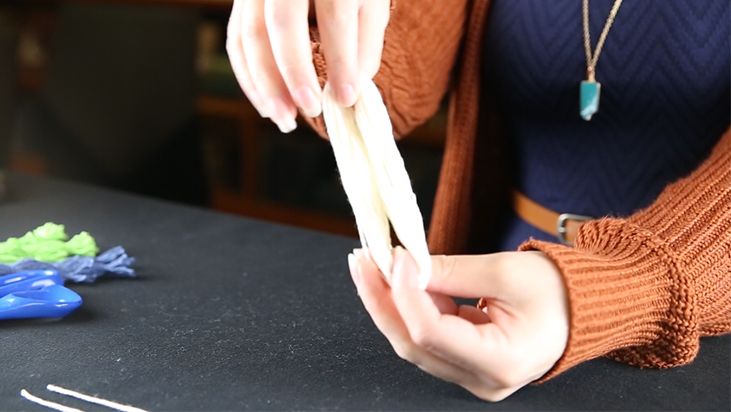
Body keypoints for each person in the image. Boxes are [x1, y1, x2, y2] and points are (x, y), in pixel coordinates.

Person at [226, 0, 731, 401]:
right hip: (500, 291)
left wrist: (625, 282)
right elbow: (396, 82)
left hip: (701, 315)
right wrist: (319, 27)